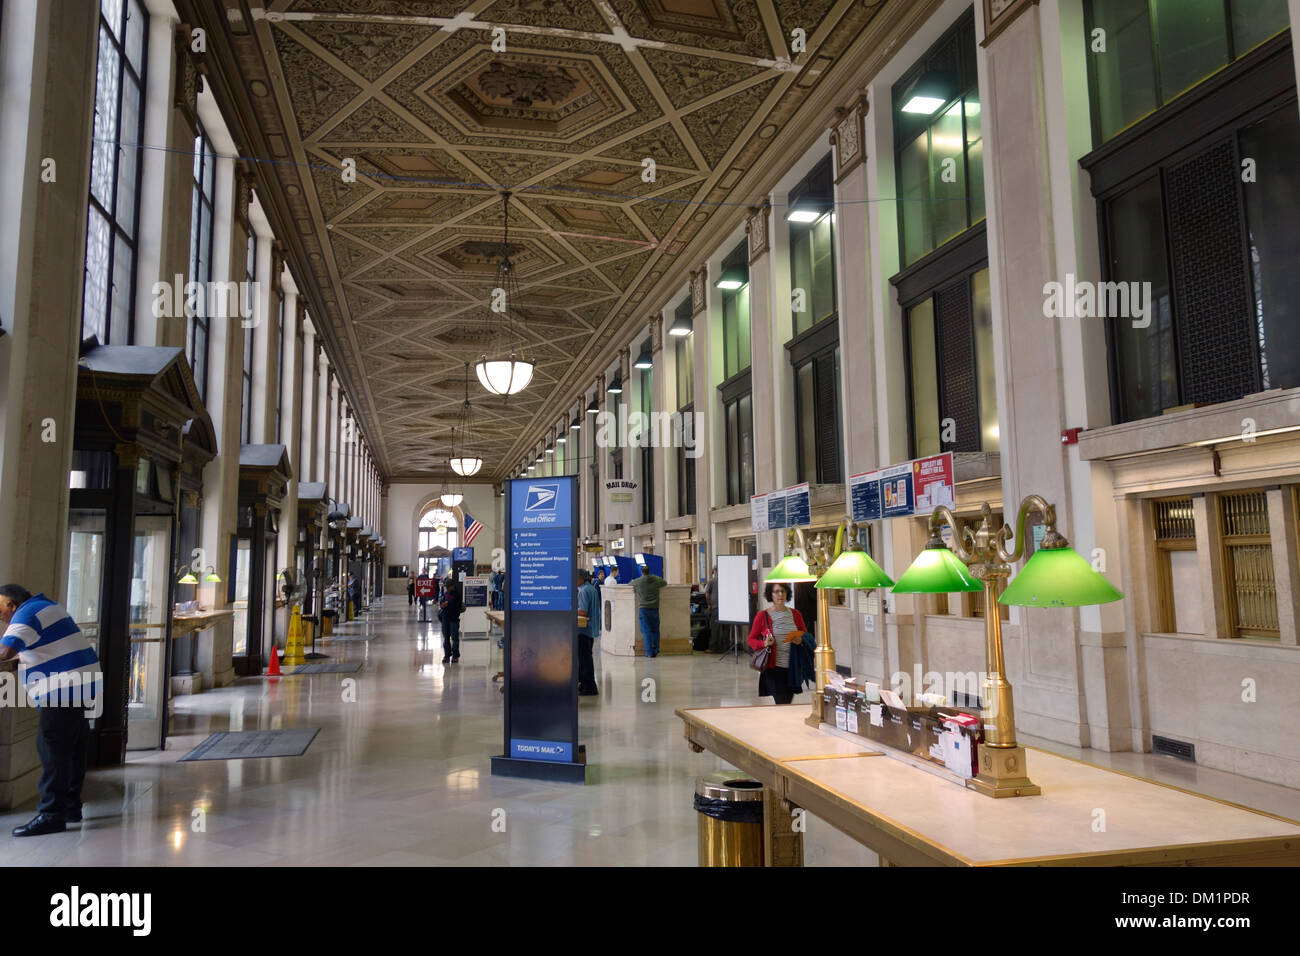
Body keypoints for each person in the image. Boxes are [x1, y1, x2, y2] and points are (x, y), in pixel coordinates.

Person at [0, 584, 102, 836]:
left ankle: (50, 815)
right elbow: (41, 649)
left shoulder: (26, 614)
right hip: (82, 682)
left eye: (0, 608)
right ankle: (70, 807)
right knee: (73, 746)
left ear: (11, 604)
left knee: (52, 749)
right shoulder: (47, 606)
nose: (0, 615)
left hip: (62, 687)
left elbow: (5, 651)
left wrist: (10, 659)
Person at [747, 581, 814, 705]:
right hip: (773, 669)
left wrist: (800, 640)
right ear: (770, 595)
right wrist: (764, 643)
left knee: (786, 703)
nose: (780, 594)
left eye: (783, 591)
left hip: (792, 667)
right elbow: (751, 639)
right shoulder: (763, 616)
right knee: (782, 702)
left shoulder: (796, 614)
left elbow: (805, 635)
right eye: (776, 591)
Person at [631, 567, 668, 657]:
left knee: (646, 631)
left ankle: (649, 652)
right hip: (654, 608)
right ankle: (656, 649)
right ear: (649, 571)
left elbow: (630, 584)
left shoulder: (638, 581)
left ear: (642, 572)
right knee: (655, 630)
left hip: (643, 609)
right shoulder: (656, 579)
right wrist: (656, 577)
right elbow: (665, 583)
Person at [576, 569, 600, 696]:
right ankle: (585, 684)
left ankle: (589, 687)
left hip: (583, 630)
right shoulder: (591, 589)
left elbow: (583, 612)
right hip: (590, 630)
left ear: (581, 579)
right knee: (585, 659)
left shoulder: (584, 591)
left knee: (584, 660)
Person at [440, 576, 463, 664]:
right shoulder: (445, 593)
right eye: (446, 587)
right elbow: (441, 602)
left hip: (453, 619)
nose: (447, 588)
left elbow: (458, 607)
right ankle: (447, 655)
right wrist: (442, 605)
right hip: (445, 618)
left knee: (454, 638)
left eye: (448, 587)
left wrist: (448, 605)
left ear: (453, 586)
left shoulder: (457, 594)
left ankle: (455, 656)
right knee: (446, 638)